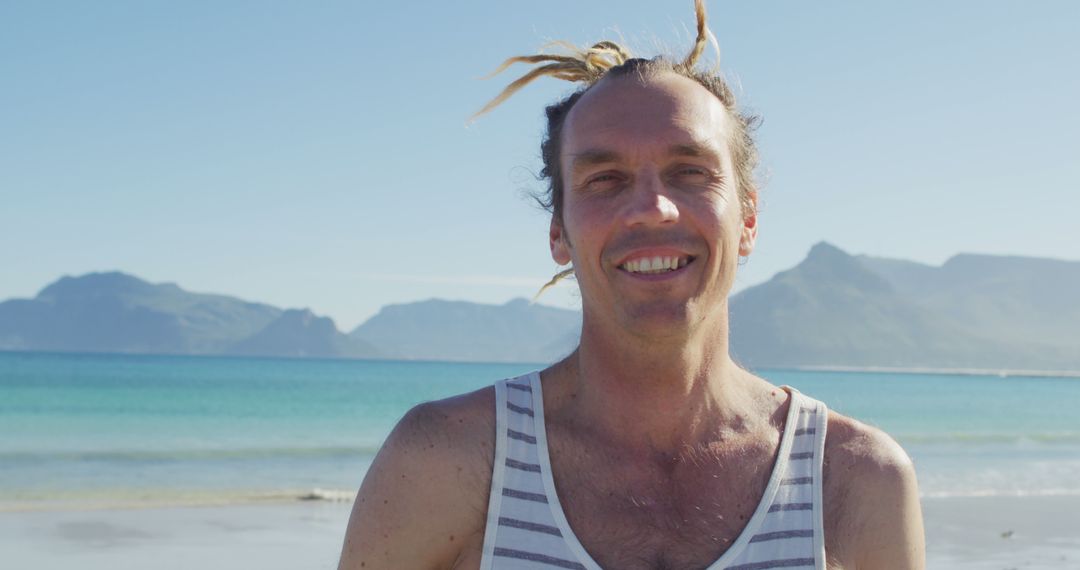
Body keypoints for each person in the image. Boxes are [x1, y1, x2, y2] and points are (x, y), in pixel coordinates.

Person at [338, 1, 925, 568]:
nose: (652, 209)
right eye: (605, 179)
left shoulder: (854, 479)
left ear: (747, 220)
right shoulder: (447, 462)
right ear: (558, 234)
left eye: (690, 171)